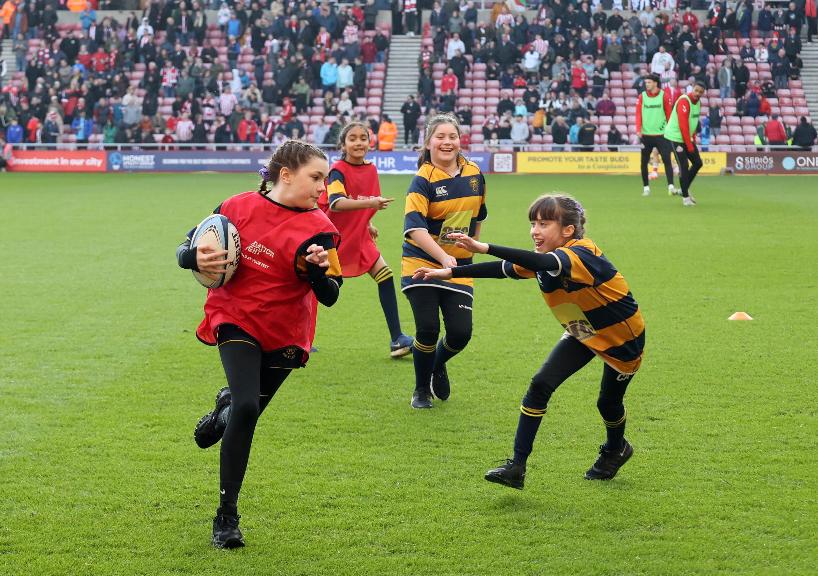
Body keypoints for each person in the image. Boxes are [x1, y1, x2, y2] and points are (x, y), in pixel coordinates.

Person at [412, 194, 644, 488]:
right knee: (540, 385)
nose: (535, 230)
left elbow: (539, 261)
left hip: (622, 337)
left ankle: (616, 448)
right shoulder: (547, 260)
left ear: (568, 230)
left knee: (608, 403)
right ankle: (516, 467)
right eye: (533, 223)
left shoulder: (581, 253)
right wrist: (451, 272)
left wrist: (484, 247)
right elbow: (504, 269)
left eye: (544, 223)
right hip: (582, 329)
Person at [177, 141, 344, 548]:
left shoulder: (322, 228)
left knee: (242, 411)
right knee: (248, 406)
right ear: (285, 175)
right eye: (316, 177)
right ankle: (226, 517)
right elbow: (186, 247)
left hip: (286, 330)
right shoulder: (234, 206)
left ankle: (223, 412)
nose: (323, 187)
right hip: (234, 316)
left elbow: (331, 294)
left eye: (324, 178)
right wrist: (193, 258)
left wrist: (317, 273)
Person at [402, 113, 487, 409]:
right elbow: (414, 229)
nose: (447, 142)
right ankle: (421, 390)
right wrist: (443, 257)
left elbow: (478, 217)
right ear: (428, 143)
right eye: (440, 137)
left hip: (459, 266)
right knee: (427, 328)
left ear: (460, 141)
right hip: (420, 263)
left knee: (461, 334)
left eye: (452, 136)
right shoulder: (421, 180)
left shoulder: (475, 173)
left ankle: (437, 363)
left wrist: (470, 250)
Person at [317, 121, 414, 357]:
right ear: (343, 144)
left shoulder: (370, 169)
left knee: (385, 275)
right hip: (334, 239)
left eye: (363, 138)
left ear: (370, 142)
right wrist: (370, 204)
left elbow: (358, 202)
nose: (358, 142)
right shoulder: (337, 170)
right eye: (352, 138)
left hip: (358, 237)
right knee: (315, 289)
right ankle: (295, 339)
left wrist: (367, 223)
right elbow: (336, 203)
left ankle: (397, 339)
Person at [664, 81, 705, 207]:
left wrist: (692, 138)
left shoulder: (698, 103)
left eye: (700, 92)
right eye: (696, 90)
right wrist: (690, 144)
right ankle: (686, 198)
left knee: (698, 163)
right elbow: (683, 125)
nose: (697, 94)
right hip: (676, 136)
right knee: (684, 165)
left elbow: (692, 121)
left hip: (686, 136)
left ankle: (683, 189)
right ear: (692, 88)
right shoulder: (684, 101)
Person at [637, 74, 676, 197]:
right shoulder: (642, 96)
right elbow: (638, 114)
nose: (646, 84)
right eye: (646, 82)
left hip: (662, 134)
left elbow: (669, 114)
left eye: (648, 82)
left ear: (655, 83)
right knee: (643, 163)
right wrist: (638, 129)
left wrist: (670, 130)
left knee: (666, 160)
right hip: (646, 135)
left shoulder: (664, 95)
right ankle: (646, 188)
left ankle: (671, 186)